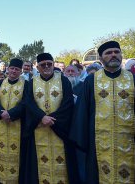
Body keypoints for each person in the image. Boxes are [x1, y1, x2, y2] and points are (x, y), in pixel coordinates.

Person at [70, 41, 135, 183]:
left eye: (116, 52)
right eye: (108, 53)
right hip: (98, 143)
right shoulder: (91, 80)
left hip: (130, 143)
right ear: (100, 58)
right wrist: (83, 140)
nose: (113, 55)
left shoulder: (134, 80)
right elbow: (82, 112)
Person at [24, 53, 79, 184]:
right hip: (39, 128)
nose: (47, 67)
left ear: (53, 64)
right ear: (38, 67)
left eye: (49, 64)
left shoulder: (63, 80)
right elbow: (28, 103)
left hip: (60, 129)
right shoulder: (32, 83)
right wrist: (41, 117)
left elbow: (68, 103)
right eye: (43, 65)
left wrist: (51, 119)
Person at [0, 58, 27, 184]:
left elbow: (25, 103)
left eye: (17, 69)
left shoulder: (25, 84)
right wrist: (2, 113)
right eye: (12, 68)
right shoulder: (0, 83)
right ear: (8, 69)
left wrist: (11, 113)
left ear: (21, 71)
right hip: (1, 122)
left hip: (17, 124)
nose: (14, 71)